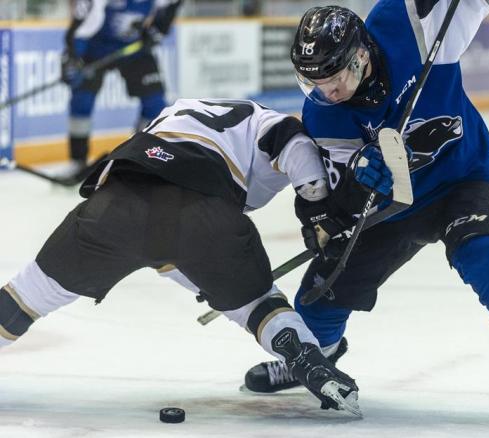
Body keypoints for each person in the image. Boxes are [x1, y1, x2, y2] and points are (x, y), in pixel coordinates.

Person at [242, 1, 489, 429]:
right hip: (395, 204)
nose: (328, 92)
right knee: (327, 285)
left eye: (334, 77)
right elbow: (337, 201)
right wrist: (358, 180)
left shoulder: (413, 23)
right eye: (315, 82)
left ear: (360, 55)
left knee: (485, 255)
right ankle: (313, 358)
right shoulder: (323, 113)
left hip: (465, 178)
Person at [0, 98, 361, 417]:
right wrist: (318, 211)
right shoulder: (265, 120)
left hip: (115, 203)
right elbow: (292, 141)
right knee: (259, 305)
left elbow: (160, 234)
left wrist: (199, 278)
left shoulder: (182, 110)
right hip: (206, 214)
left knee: (25, 296)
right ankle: (310, 360)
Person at [60, 0, 182, 178]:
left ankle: (139, 157)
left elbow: (172, 5)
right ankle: (77, 160)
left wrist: (158, 29)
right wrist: (72, 58)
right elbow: (81, 28)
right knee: (82, 98)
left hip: (134, 48)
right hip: (95, 47)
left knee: (155, 103)